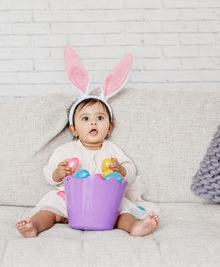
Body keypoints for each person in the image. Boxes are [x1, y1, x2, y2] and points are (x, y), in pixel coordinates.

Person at [15, 45, 160, 238]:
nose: (93, 122)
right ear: (73, 129)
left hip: (105, 202)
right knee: (51, 206)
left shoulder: (112, 149)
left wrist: (121, 170)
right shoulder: (65, 150)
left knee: (123, 210)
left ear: (110, 127)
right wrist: (59, 172)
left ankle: (135, 226)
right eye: (85, 119)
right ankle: (34, 225)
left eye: (100, 118)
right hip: (72, 201)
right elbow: (49, 174)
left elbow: (130, 171)